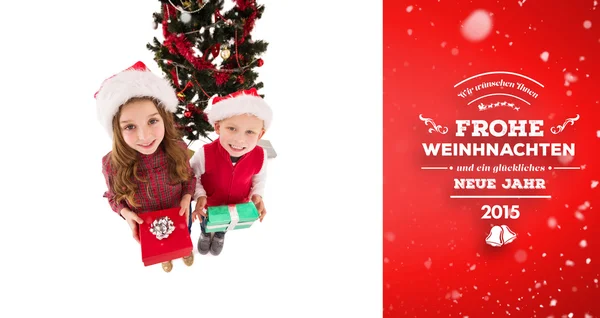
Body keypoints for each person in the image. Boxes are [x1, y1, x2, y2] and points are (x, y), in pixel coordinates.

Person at [96, 61, 196, 273]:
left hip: (179, 215)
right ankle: (165, 257)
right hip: (148, 225)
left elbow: (189, 178)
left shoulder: (177, 148)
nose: (145, 136)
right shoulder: (111, 163)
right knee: (160, 247)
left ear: (164, 119)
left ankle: (185, 250)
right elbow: (114, 196)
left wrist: (187, 197)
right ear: (117, 131)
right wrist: (125, 213)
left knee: (183, 236)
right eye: (130, 127)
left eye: (152, 121)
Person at [190, 88, 272, 256]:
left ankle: (220, 235)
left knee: (225, 223)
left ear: (260, 134)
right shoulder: (205, 153)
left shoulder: (260, 155)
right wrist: (200, 195)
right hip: (209, 204)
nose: (239, 139)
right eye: (232, 128)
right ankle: (205, 234)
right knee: (207, 222)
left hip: (236, 205)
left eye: (250, 132)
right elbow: (192, 176)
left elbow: (259, 177)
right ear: (218, 127)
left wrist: (257, 195)